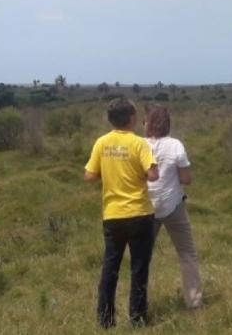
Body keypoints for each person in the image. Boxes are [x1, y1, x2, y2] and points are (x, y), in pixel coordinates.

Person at [84, 98, 159, 328]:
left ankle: (105, 320)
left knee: (110, 268)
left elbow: (89, 176)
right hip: (139, 213)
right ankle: (137, 319)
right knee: (138, 268)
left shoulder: (101, 143)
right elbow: (153, 174)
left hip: (113, 215)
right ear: (132, 119)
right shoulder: (139, 144)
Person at [144, 104, 203, 309]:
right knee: (187, 254)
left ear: (148, 124)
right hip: (173, 204)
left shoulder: (140, 144)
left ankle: (139, 302)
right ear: (167, 124)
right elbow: (186, 179)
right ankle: (193, 301)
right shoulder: (176, 145)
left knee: (143, 256)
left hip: (146, 206)